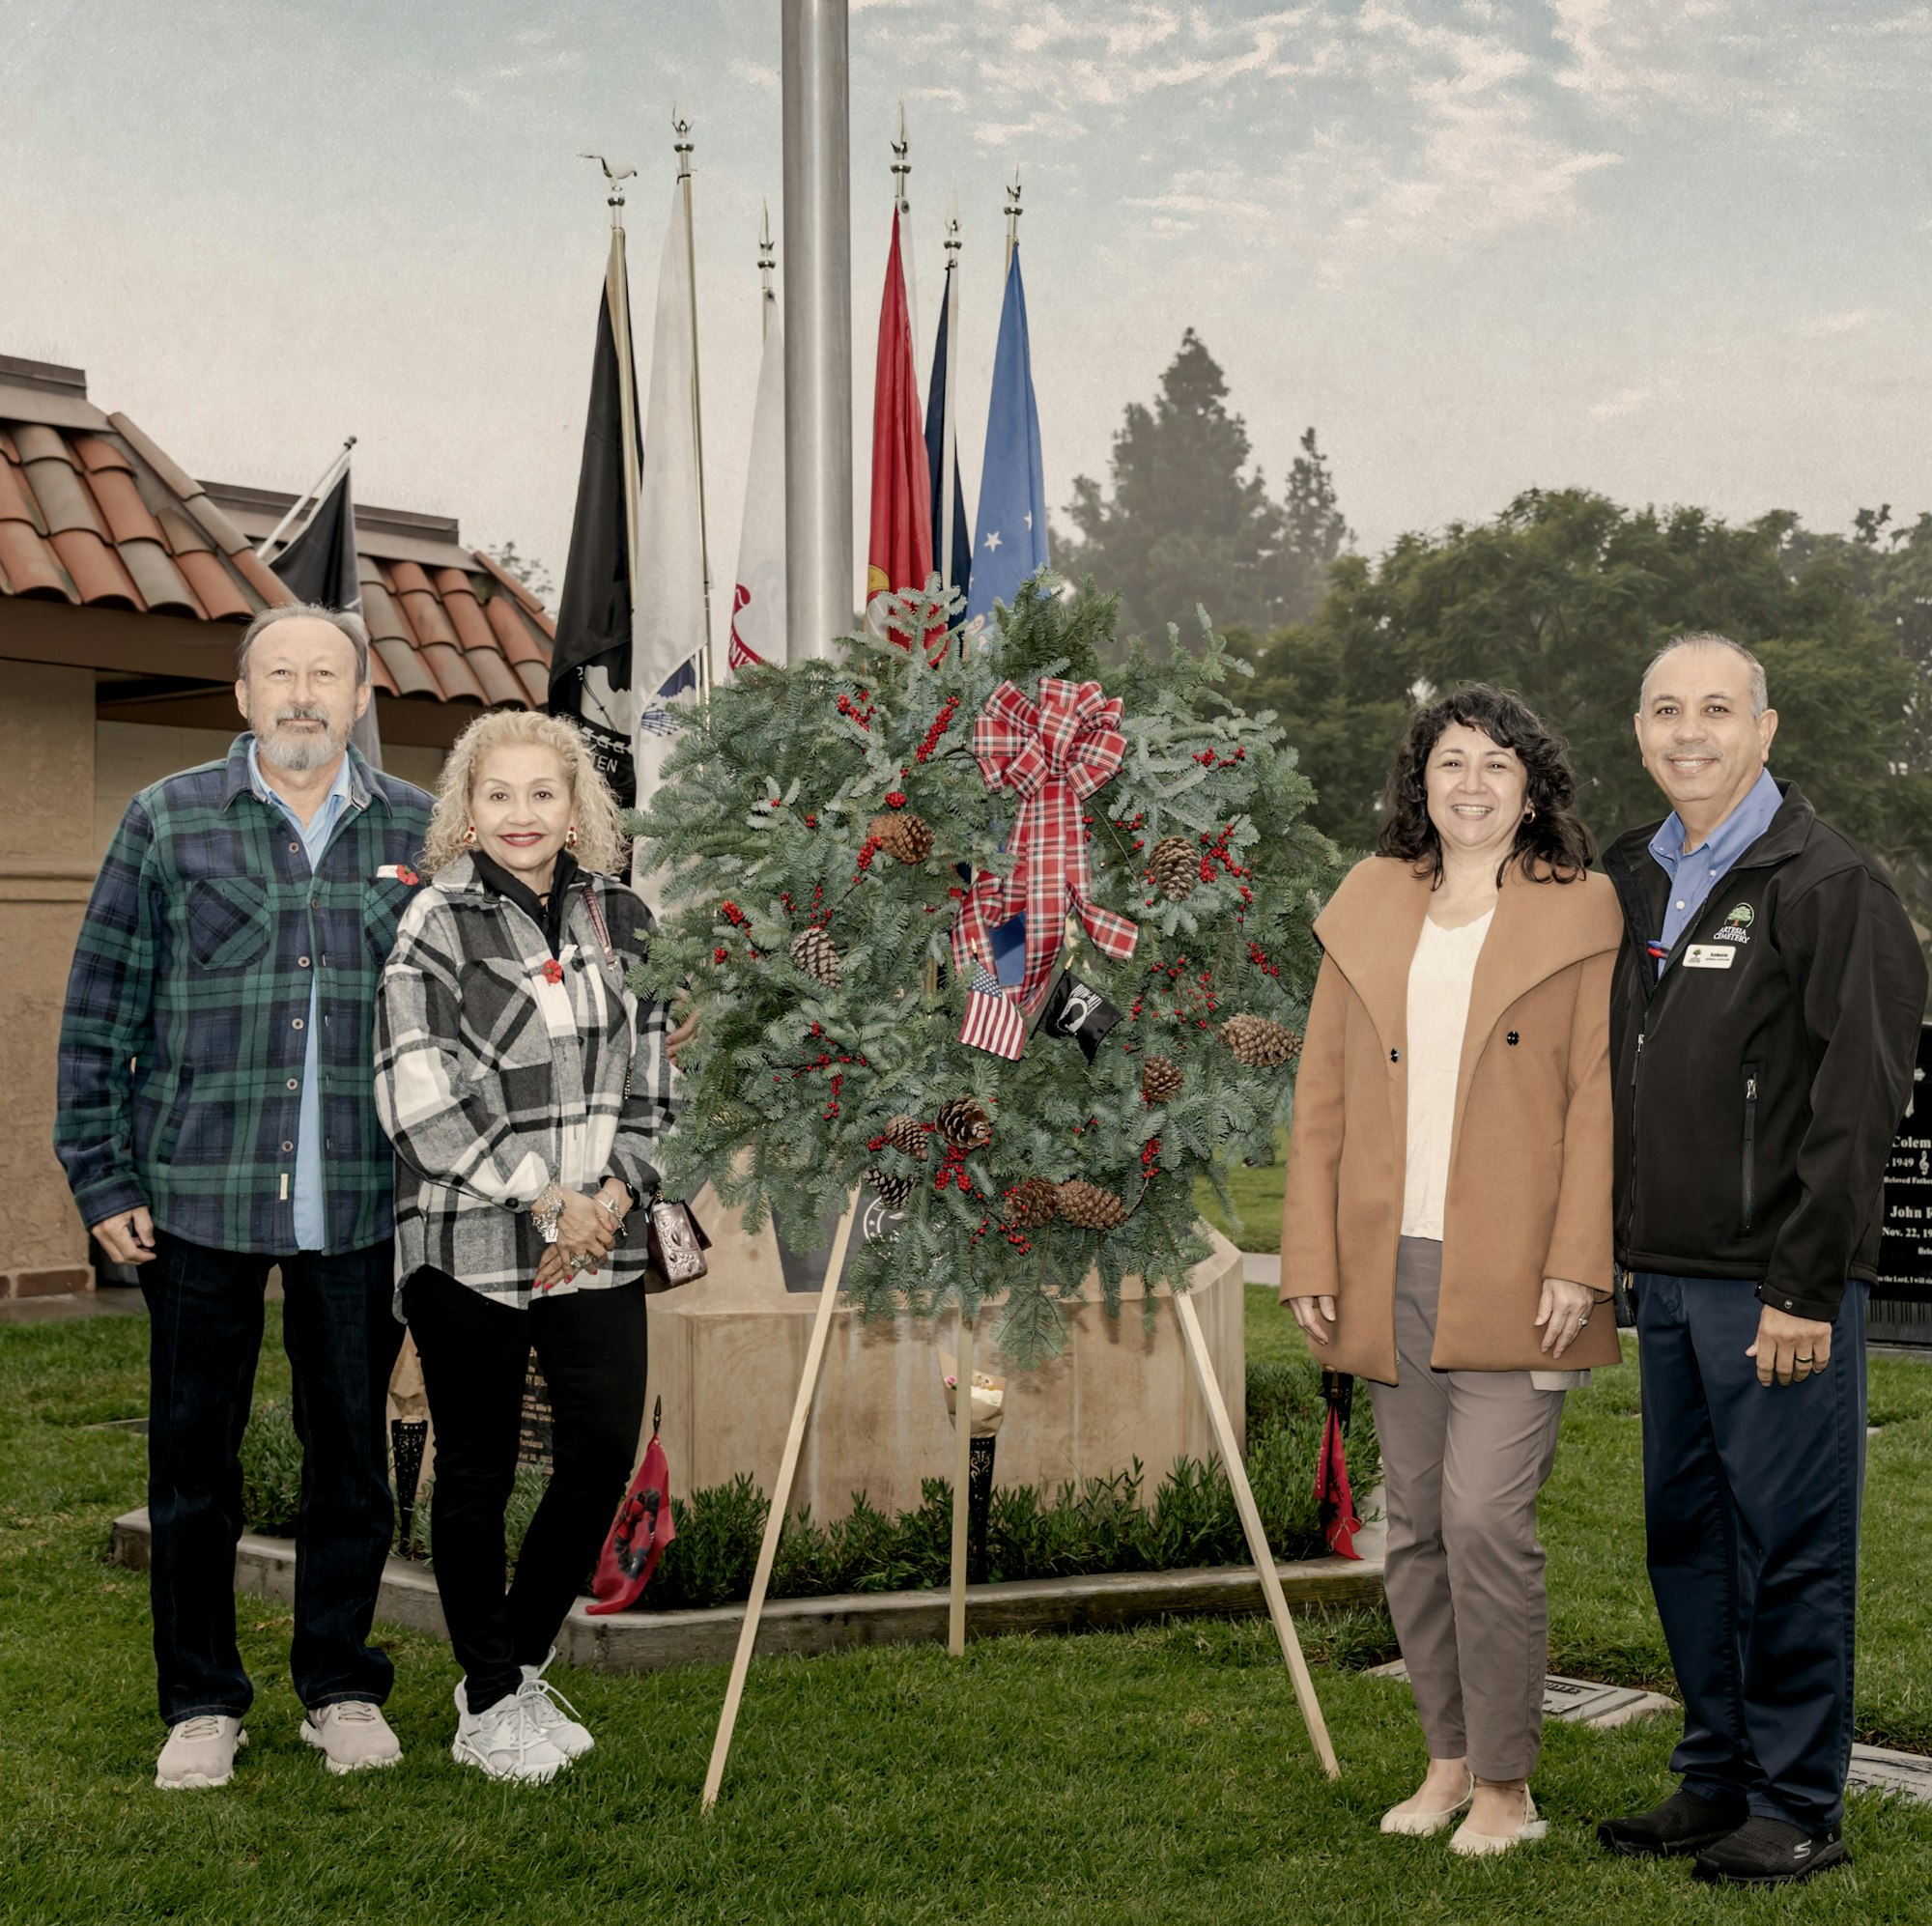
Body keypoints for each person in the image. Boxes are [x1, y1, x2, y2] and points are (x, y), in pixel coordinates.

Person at [54, 604, 433, 1789]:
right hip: (195, 1197)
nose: (303, 692)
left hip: (364, 1197)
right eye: (280, 673)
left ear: (364, 694)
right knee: (191, 1464)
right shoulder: (164, 819)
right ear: (242, 695)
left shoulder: (425, 828)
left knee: (351, 1463)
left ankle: (339, 1684)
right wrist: (98, 1168)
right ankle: (202, 1701)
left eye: (326, 672)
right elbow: (99, 1009)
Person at [1595, 634, 1925, 1885]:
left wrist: (1806, 1285)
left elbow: (1861, 1103)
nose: (1691, 731)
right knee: (1688, 1536)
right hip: (1669, 1276)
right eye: (1668, 708)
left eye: (1717, 709)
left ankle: (1798, 1801)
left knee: (1787, 1540)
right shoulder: (1634, 874)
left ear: (1766, 729)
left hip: (1774, 1283)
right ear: (1641, 731)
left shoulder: (1833, 884)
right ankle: (1716, 1774)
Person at [1281, 686, 1622, 1855]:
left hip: (1519, 1272)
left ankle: (1507, 1788)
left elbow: (1595, 1100)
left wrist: (1580, 1258)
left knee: (1485, 1519)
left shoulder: (1580, 909)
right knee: (1415, 1523)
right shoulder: (1369, 901)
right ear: (1415, 782)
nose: (1468, 784)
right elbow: (1319, 1093)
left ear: (1532, 786)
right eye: (1446, 763)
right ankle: (1445, 1759)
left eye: (1494, 765)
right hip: (1388, 1263)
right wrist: (1310, 1254)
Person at [373, 709, 674, 1784]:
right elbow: (419, 1098)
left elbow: (654, 1085)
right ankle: (489, 1700)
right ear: (466, 806)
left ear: (575, 805)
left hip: (597, 1228)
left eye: (542, 792)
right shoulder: (433, 923)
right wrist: (544, 1199)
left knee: (597, 1451)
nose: (520, 813)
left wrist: (605, 1194)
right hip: (469, 1238)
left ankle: (516, 1660)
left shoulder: (626, 916)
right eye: (497, 794)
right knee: (480, 1469)